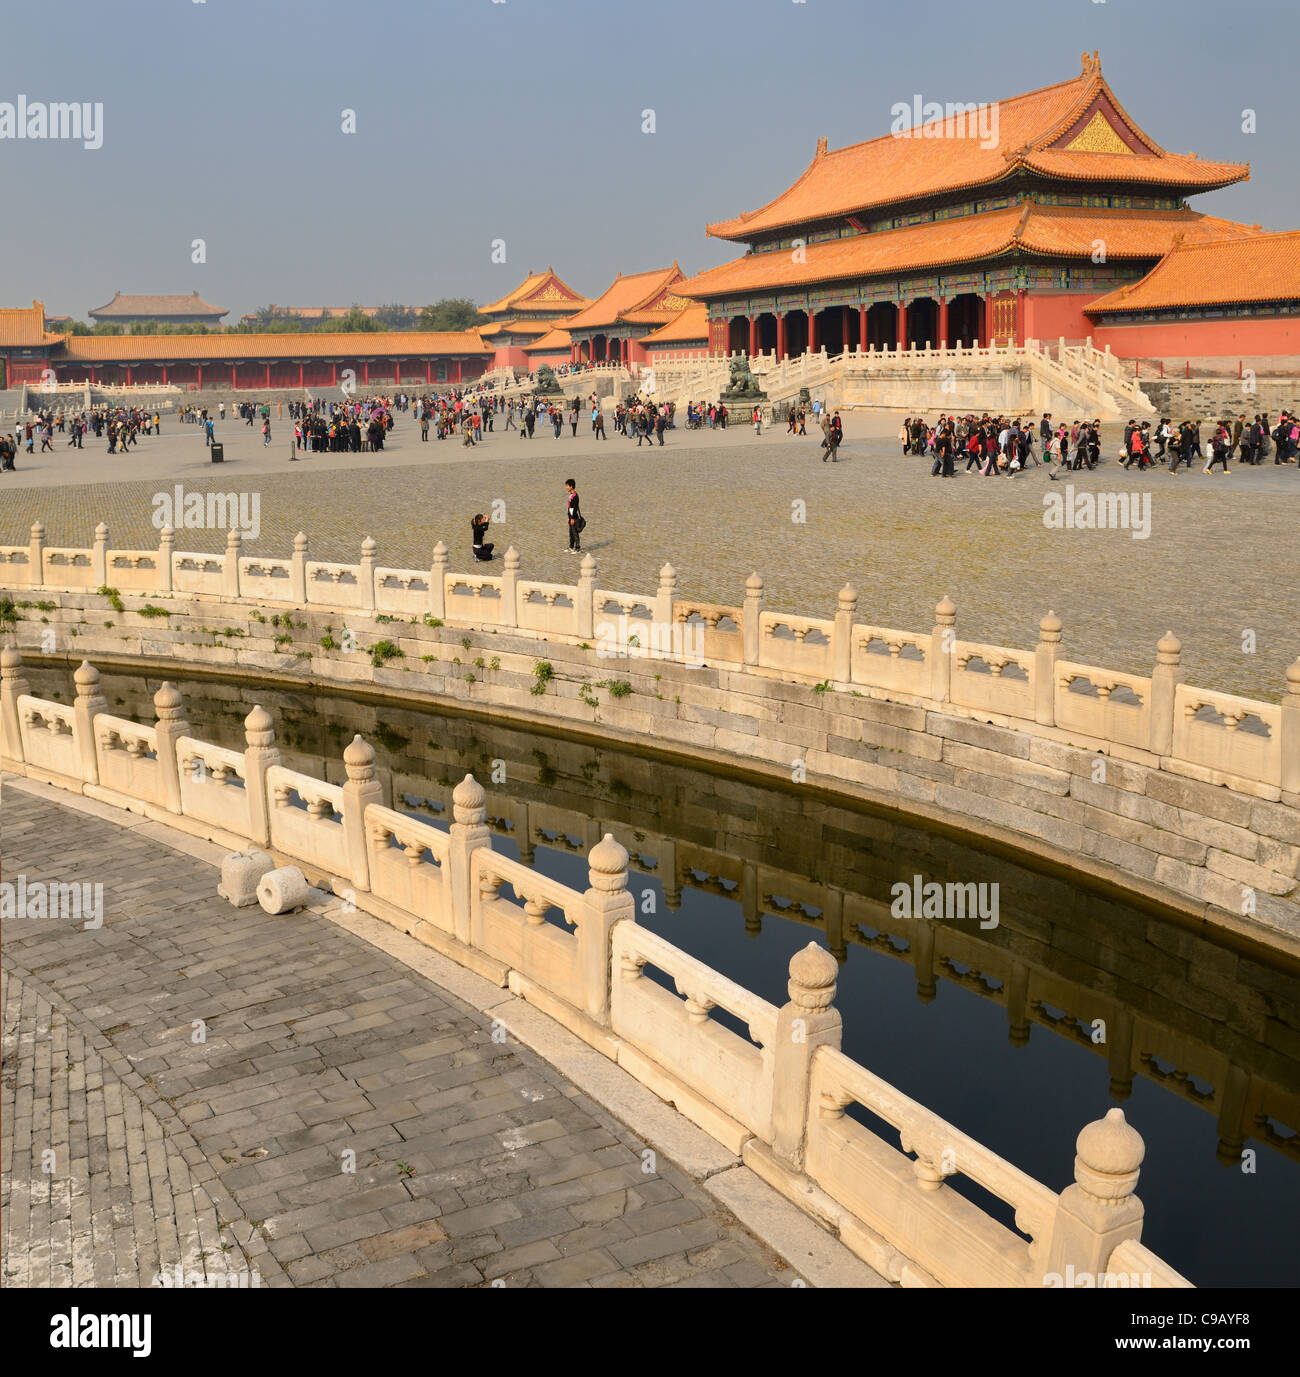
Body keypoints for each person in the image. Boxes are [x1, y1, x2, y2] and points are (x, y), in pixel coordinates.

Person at [565, 478, 583, 553]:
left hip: (575, 518)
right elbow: (570, 508)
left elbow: (574, 508)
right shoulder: (571, 495)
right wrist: (569, 517)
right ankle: (571, 546)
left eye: (567, 486)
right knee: (571, 533)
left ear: (571, 486)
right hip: (571, 517)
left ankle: (577, 547)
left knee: (575, 533)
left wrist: (572, 518)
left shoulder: (575, 496)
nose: (566, 487)